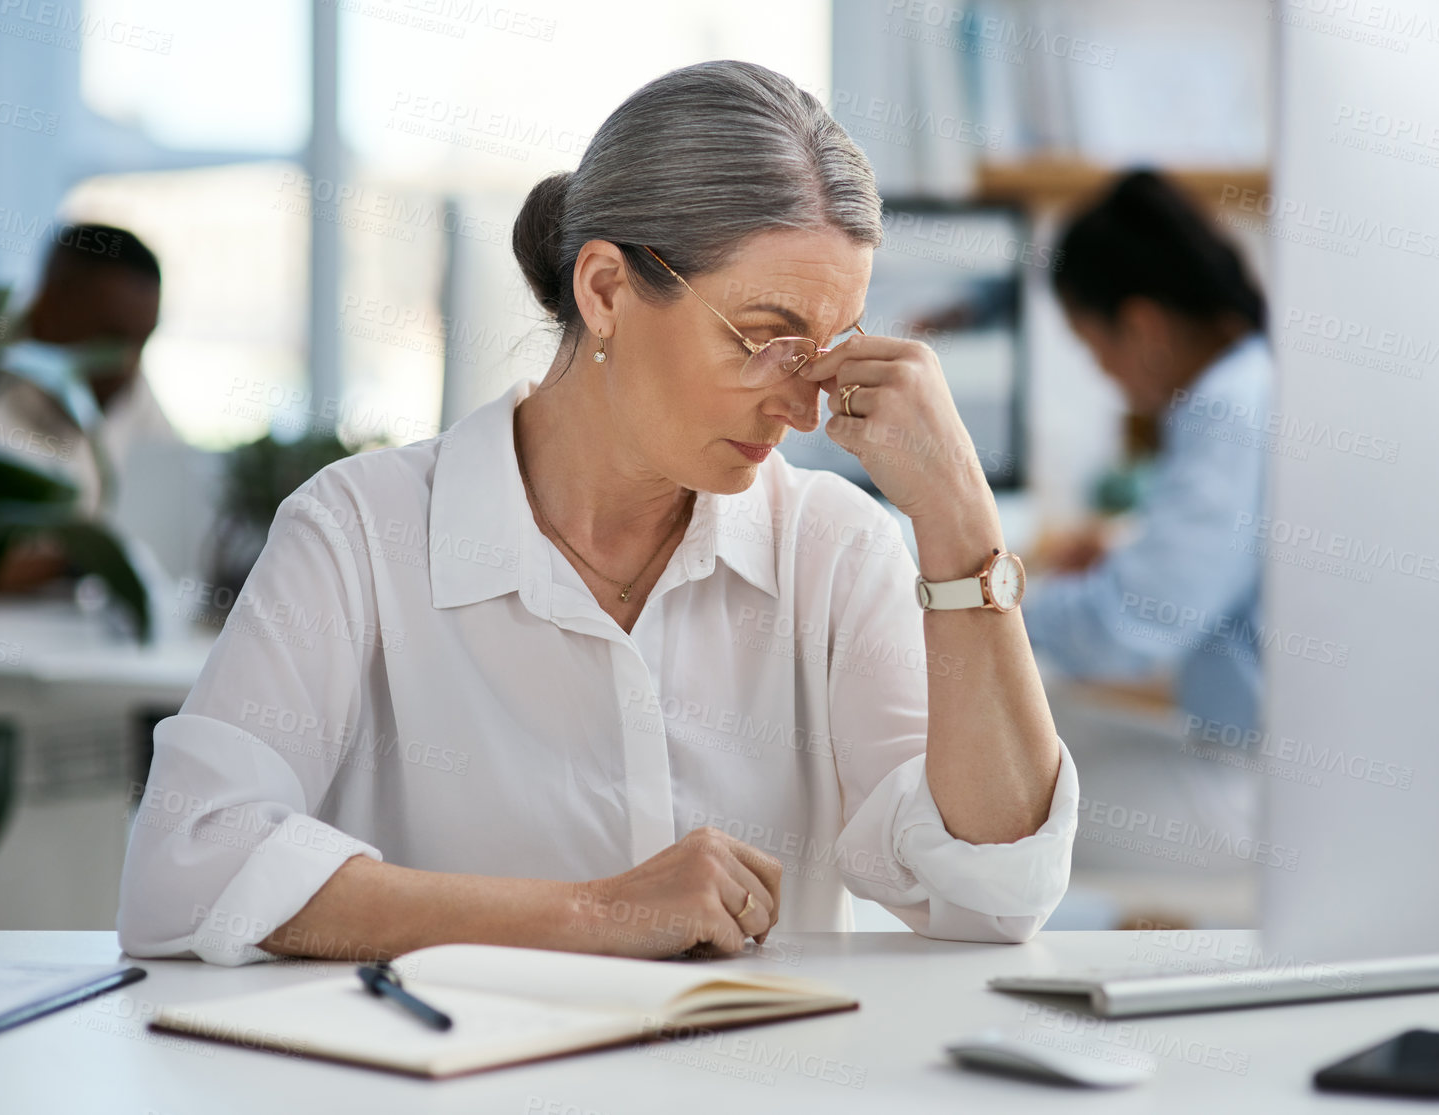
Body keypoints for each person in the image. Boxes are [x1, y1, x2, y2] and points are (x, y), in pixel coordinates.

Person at [117, 61, 1078, 967]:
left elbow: (992, 894)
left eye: (829, 352)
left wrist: (960, 521)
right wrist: (596, 914)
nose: (804, 407)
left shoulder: (833, 549)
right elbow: (186, 869)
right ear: (607, 289)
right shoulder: (359, 533)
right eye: (764, 339)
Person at [1022, 170, 1271, 739]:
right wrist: (1121, 551)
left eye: (1095, 349)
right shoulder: (1255, 379)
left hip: (1253, 778)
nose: (1105, 375)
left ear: (1142, 327)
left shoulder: (1227, 409)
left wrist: (995, 608)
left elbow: (1135, 623)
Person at [0, 223, 177, 591]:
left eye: (143, 341)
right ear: (49, 305)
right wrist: (81, 558)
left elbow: (174, 504)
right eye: (112, 338)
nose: (129, 363)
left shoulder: (130, 386)